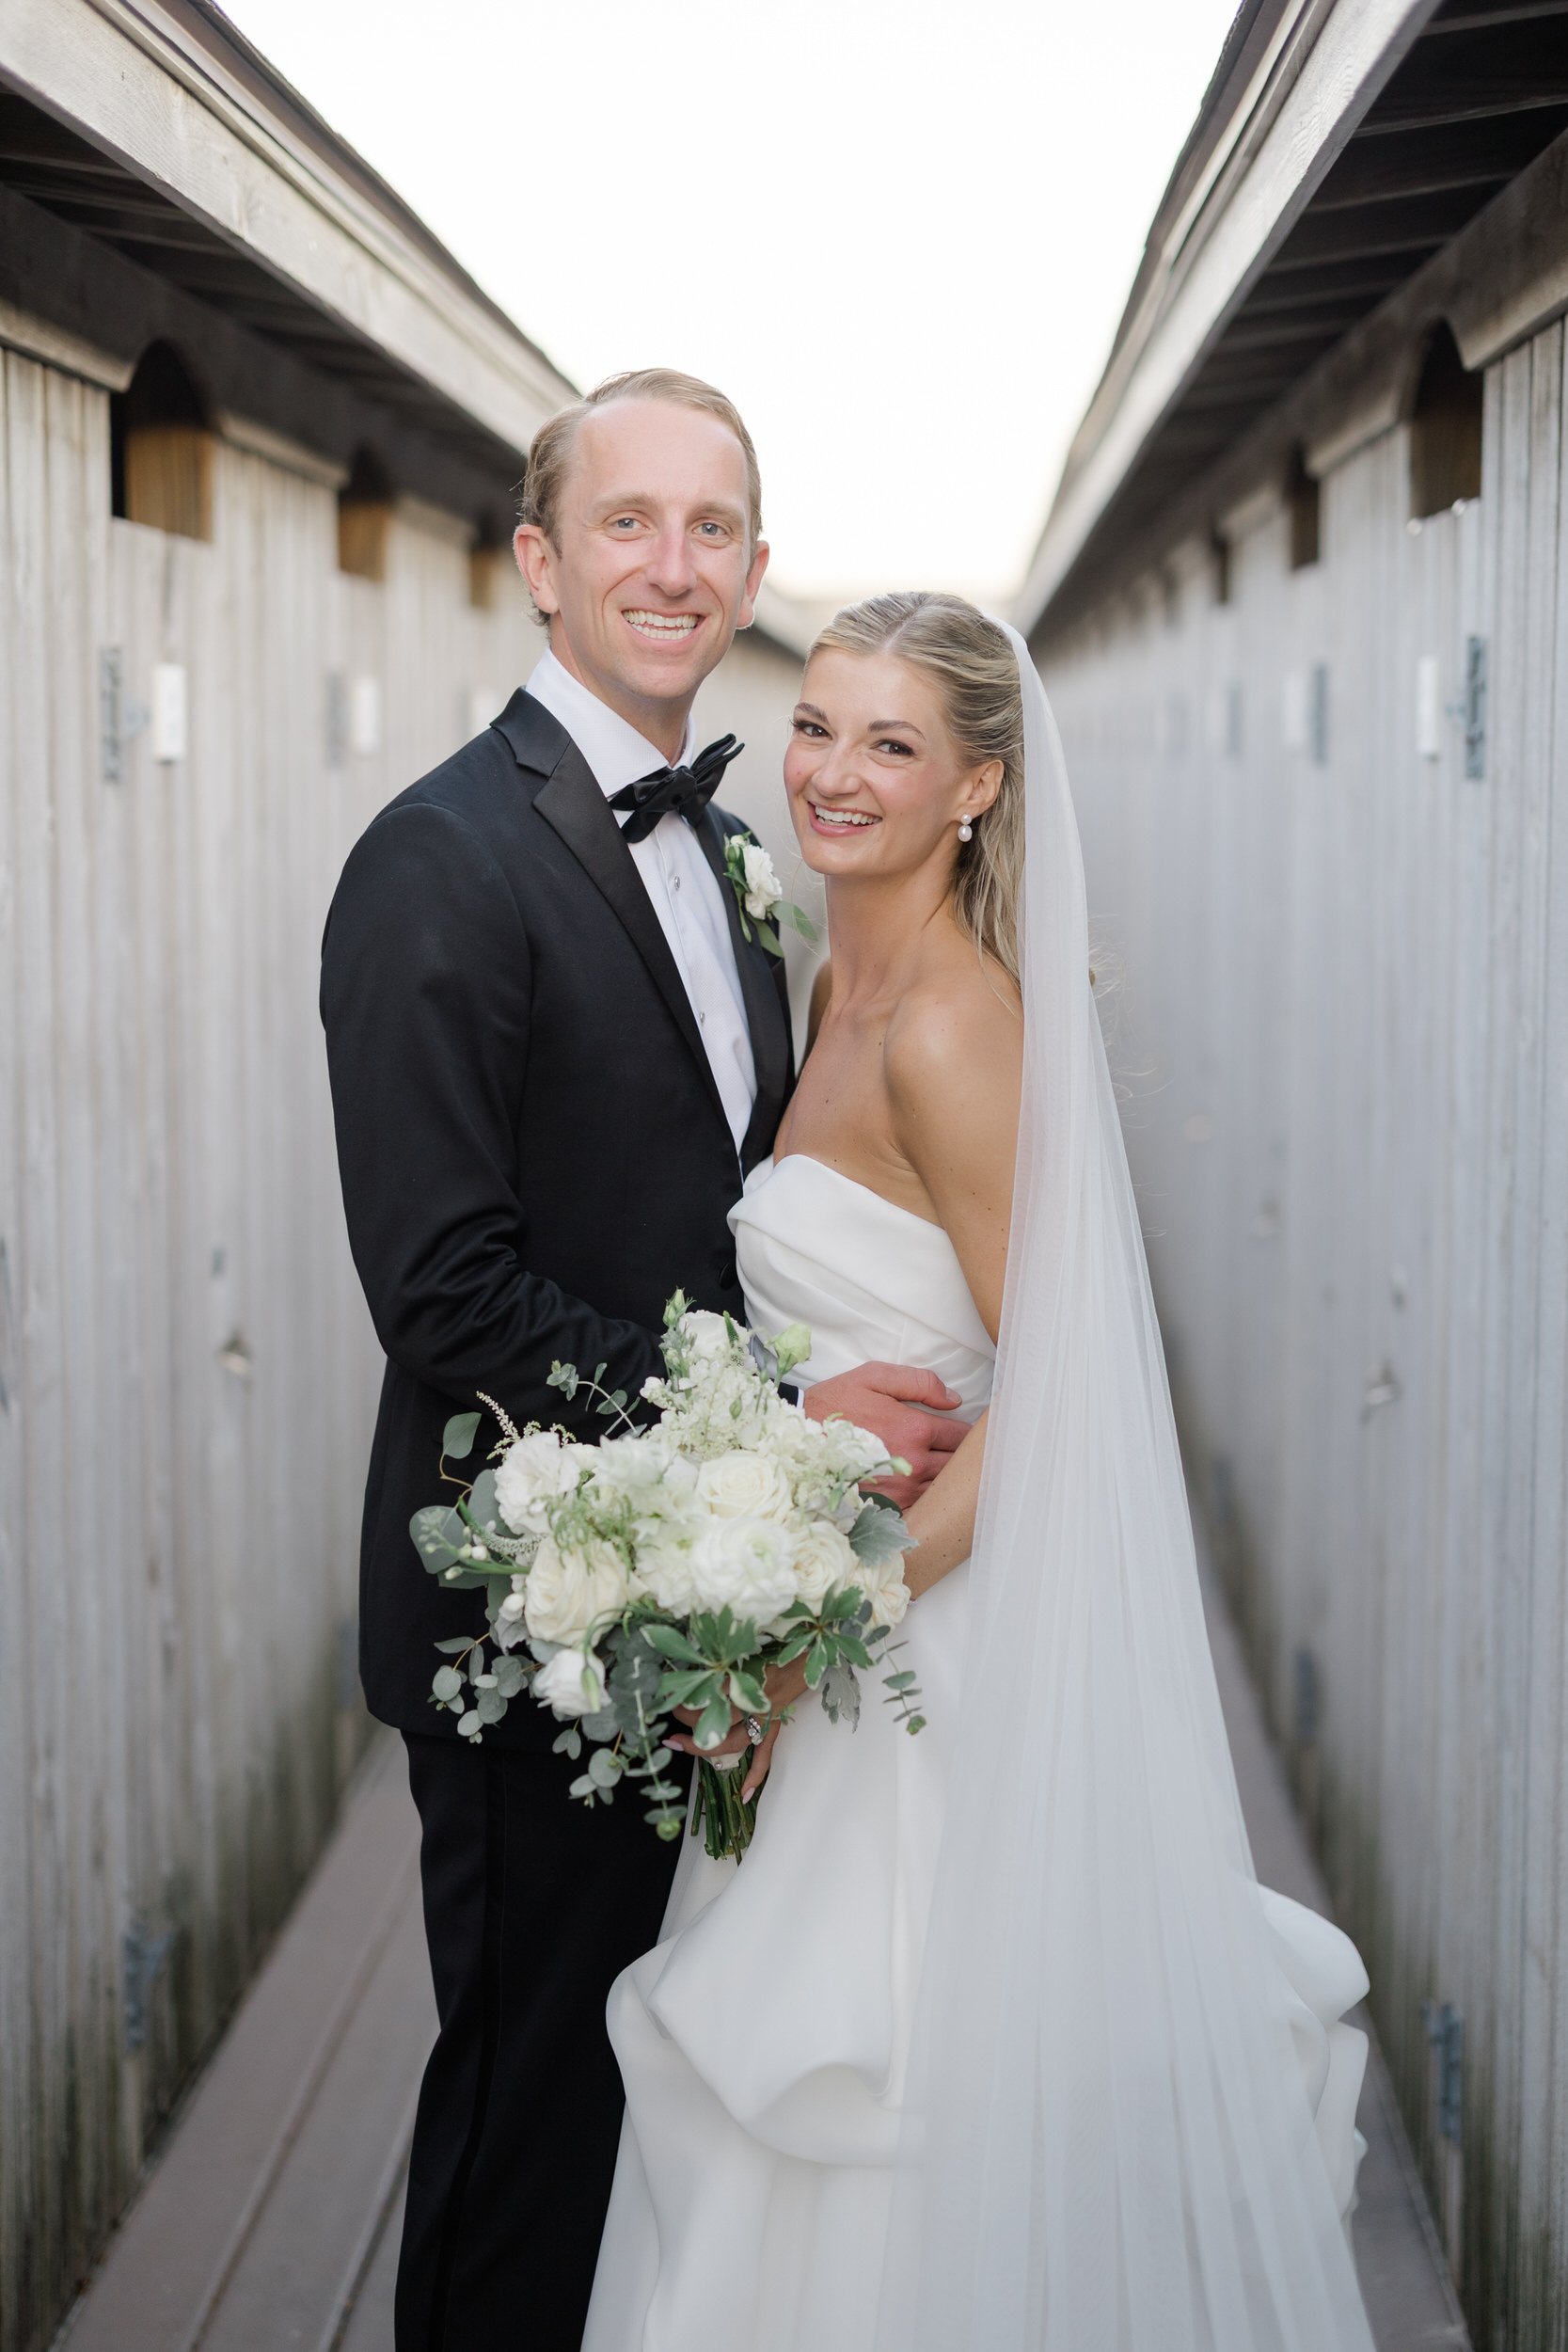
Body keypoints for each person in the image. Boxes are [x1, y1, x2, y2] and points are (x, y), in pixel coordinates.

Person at [584, 594, 1379, 2352]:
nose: (833, 774)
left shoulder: (950, 1026)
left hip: (925, 1639)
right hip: (836, 1608)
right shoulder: (823, 972)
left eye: (892, 746)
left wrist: (828, 1622)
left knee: (905, 2093)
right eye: (819, 727)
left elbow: (1064, 1388)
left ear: (978, 790)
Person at [319, 377, 967, 2352]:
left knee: (655, 2116)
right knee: (528, 2134)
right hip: (538, 1628)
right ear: (540, 562)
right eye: (627, 522)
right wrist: (781, 1427)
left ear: (756, 569)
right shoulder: (437, 860)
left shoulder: (743, 856)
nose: (672, 565)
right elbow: (448, 1293)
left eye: (712, 528)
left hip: (710, 1611)